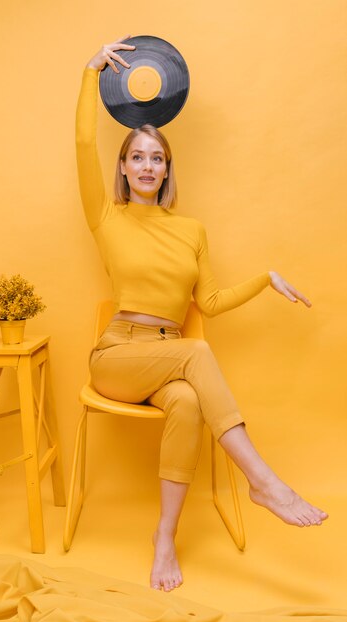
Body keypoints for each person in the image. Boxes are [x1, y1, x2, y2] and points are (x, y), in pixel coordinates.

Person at [76, 36, 328, 593]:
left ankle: (164, 539)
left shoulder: (191, 231)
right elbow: (80, 141)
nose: (147, 165)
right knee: (196, 351)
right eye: (136, 157)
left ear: (168, 169)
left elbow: (207, 304)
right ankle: (263, 482)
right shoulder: (106, 216)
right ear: (122, 167)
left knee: (188, 400)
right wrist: (90, 74)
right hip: (118, 356)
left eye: (156, 158)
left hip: (169, 361)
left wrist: (266, 280)